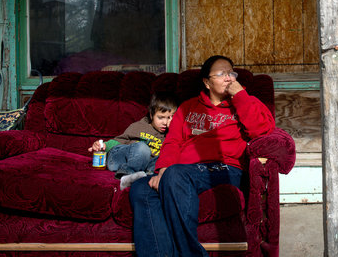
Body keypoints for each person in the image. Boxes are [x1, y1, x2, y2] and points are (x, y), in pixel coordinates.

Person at [129, 55, 275, 257]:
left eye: (231, 73)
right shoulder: (188, 107)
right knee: (140, 188)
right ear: (206, 82)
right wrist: (162, 171)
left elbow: (262, 130)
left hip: (226, 168)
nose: (228, 78)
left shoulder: (246, 102)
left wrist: (240, 95)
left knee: (176, 174)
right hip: (184, 171)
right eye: (221, 74)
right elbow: (173, 141)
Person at [88, 92, 177, 188]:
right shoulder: (140, 126)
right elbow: (120, 140)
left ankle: (146, 177)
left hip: (143, 167)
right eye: (160, 117)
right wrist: (104, 146)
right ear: (151, 115)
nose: (165, 122)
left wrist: (173, 129)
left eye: (169, 118)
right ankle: (126, 175)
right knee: (143, 148)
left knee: (162, 159)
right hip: (120, 159)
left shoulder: (171, 135)